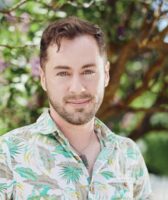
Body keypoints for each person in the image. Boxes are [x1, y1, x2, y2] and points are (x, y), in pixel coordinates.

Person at [0, 17, 152, 199]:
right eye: (63, 73)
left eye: (88, 71)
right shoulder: (7, 153)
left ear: (106, 74)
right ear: (43, 78)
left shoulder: (129, 155)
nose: (77, 88)